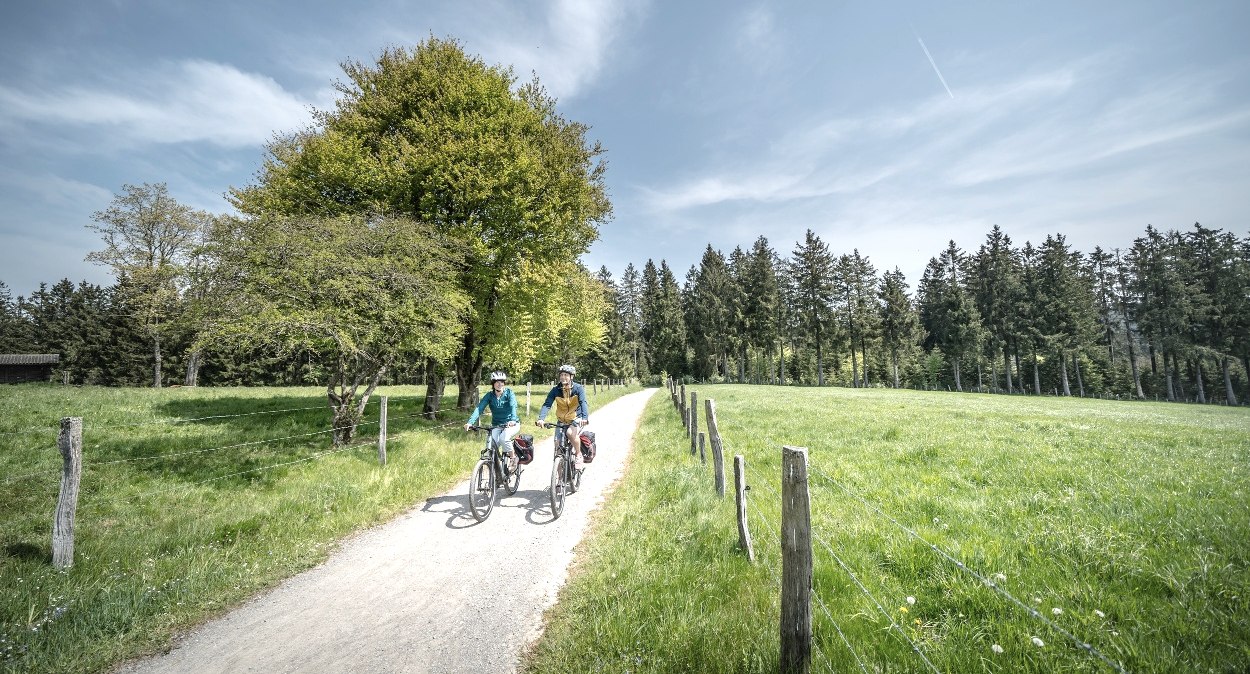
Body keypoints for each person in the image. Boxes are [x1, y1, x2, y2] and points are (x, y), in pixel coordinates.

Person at [536, 364, 590, 470]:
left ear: (571, 377)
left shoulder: (578, 389)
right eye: (561, 375)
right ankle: (559, 479)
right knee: (557, 446)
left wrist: (584, 418)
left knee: (570, 433)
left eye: (566, 375)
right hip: (561, 420)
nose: (563, 377)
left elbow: (583, 403)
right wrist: (541, 418)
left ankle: (579, 455)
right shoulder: (555, 390)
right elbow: (547, 404)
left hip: (576, 418)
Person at [465, 371, 521, 472]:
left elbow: (513, 406)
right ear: (493, 383)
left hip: (511, 424)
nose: (500, 384)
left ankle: (513, 458)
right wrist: (470, 422)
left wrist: (512, 420)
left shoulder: (509, 393)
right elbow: (479, 408)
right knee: (491, 445)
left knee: (504, 438)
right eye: (497, 382)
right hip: (497, 425)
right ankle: (496, 474)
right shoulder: (489, 396)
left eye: (502, 382)